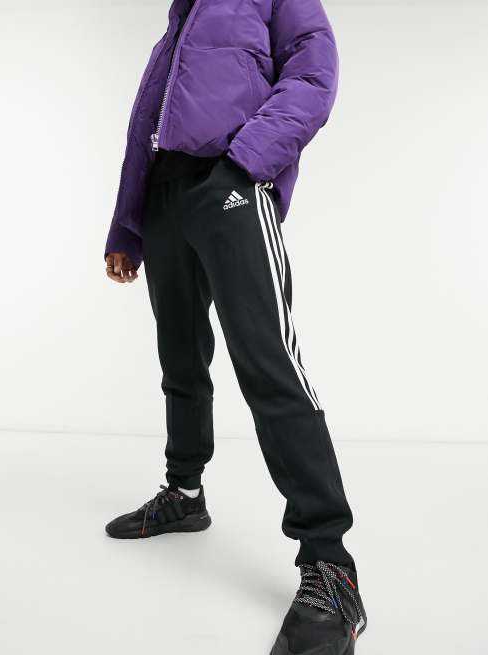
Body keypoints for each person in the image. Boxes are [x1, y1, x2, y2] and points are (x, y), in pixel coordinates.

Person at [104, 0, 367, 652]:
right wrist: (127, 226)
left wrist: (245, 162)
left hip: (231, 184)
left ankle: (329, 564)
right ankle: (184, 492)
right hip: (166, 196)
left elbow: (314, 76)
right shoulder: (182, 14)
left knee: (268, 363)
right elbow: (145, 121)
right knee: (180, 356)